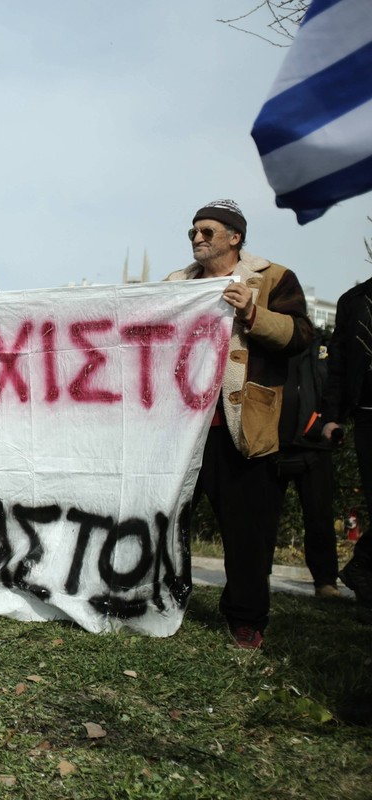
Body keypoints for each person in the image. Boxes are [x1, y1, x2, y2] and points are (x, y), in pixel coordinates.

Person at [165, 200, 312, 649]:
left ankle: (246, 617)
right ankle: (168, 599)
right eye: (193, 231)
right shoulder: (174, 285)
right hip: (182, 426)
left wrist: (251, 312)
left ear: (235, 237)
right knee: (171, 522)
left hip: (240, 424)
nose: (197, 239)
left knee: (247, 527)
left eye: (208, 231)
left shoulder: (273, 278)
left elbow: (301, 336)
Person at [274, 334, 341, 598]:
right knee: (262, 519)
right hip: (273, 444)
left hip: (315, 446)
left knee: (320, 518)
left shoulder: (324, 346)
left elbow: (335, 386)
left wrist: (332, 420)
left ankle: (325, 582)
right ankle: (256, 577)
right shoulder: (272, 342)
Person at [322, 274, 372, 624]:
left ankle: (361, 566)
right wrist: (332, 417)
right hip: (368, 415)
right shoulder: (355, 300)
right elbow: (337, 366)